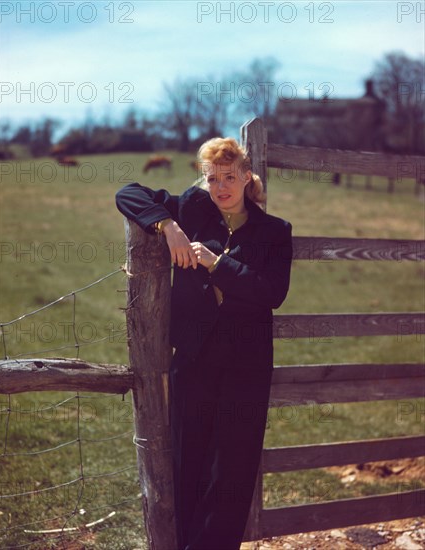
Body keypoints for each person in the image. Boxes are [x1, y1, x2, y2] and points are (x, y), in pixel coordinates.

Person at [115, 137, 293, 550]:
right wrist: (168, 225)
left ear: (247, 177)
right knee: (188, 462)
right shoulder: (194, 211)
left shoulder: (274, 231)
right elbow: (128, 193)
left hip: (245, 367)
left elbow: (272, 292)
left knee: (231, 471)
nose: (221, 187)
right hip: (193, 360)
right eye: (213, 179)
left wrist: (218, 264)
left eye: (230, 177)